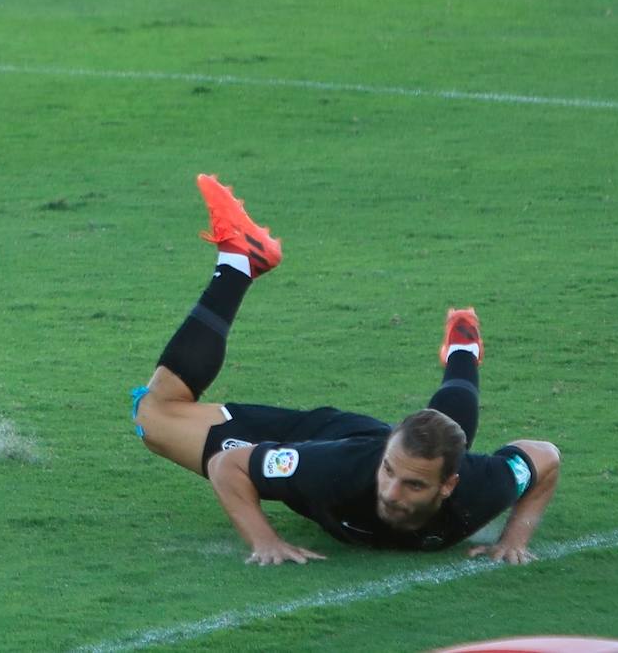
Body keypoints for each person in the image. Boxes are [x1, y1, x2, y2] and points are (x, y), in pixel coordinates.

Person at [132, 175, 560, 565]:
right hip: (314, 437)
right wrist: (264, 541)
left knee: (449, 433)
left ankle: (463, 348)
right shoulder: (333, 468)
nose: (390, 493)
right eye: (390, 472)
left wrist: (515, 539)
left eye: (413, 485)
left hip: (406, 451)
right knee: (153, 416)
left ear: (448, 486)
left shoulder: (483, 488)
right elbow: (229, 466)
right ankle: (240, 261)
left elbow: (545, 457)